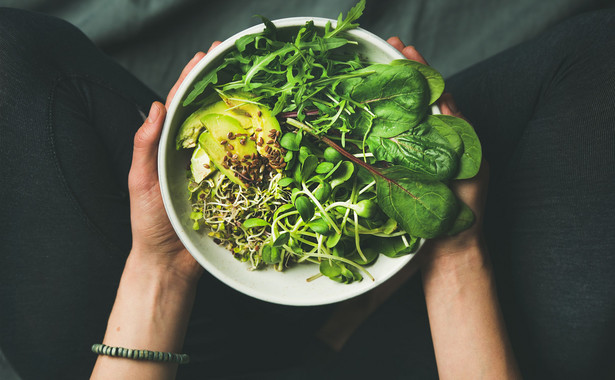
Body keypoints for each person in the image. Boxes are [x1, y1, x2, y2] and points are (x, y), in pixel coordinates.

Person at [1, 6, 614, 380]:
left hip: (154, 345)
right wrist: (455, 255)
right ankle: (347, 322)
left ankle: (324, 322)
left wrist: (161, 265)